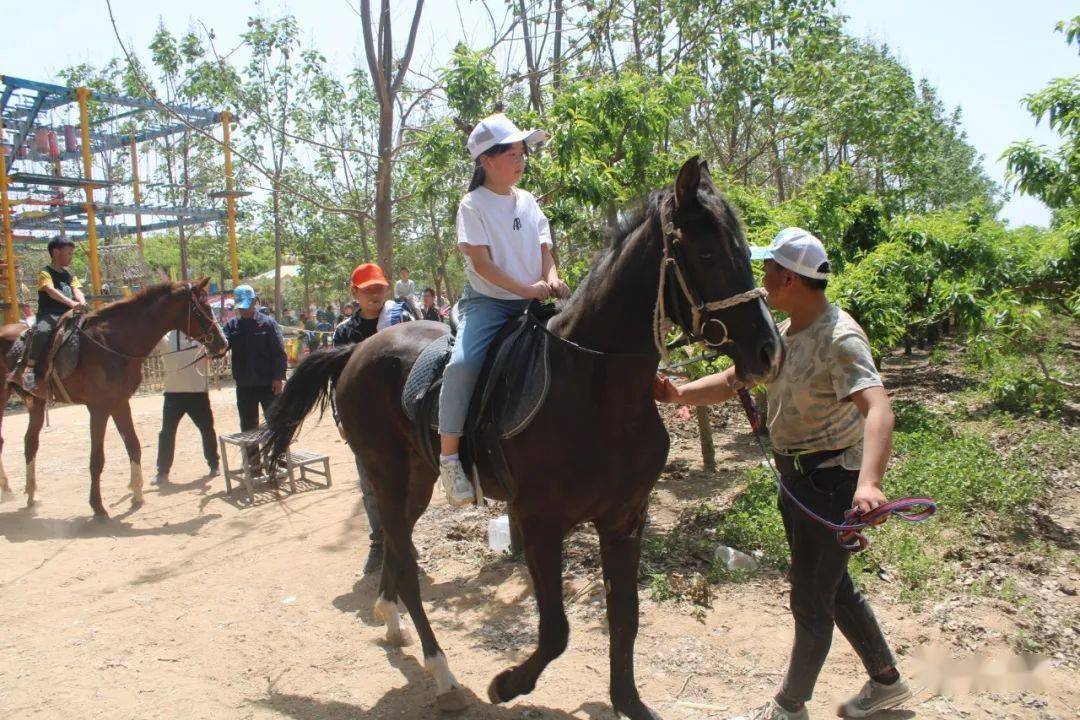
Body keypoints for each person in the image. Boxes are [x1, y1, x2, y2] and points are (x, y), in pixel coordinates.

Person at [654, 228, 911, 720]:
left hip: (831, 481)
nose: (760, 280)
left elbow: (878, 410)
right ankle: (887, 682)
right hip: (799, 481)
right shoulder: (783, 333)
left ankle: (789, 707)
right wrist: (677, 394)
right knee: (832, 588)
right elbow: (735, 380)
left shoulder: (840, 337)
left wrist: (869, 484)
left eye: (766, 270)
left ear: (789, 277)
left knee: (810, 601)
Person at [437, 112, 570, 507]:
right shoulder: (472, 205)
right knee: (462, 364)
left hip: (535, 300)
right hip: (491, 304)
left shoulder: (528, 201)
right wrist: (526, 288)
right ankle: (449, 458)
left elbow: (545, 251)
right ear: (485, 161)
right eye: (511, 153)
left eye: (522, 152)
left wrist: (553, 278)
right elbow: (482, 264)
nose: (521, 160)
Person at [332, 263, 412, 574]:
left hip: (403, 417)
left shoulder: (401, 320)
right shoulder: (344, 332)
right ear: (354, 293)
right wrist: (341, 417)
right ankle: (379, 542)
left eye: (379, 288)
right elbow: (336, 381)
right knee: (370, 483)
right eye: (368, 290)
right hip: (365, 423)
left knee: (409, 481)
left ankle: (403, 542)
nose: (375, 295)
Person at [8, 236, 88, 391]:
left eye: (72, 253)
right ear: (56, 252)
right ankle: (29, 369)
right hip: (50, 314)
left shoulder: (70, 275)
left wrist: (82, 301)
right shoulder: (45, 272)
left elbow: (76, 290)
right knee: (42, 331)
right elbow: (51, 291)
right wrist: (72, 303)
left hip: (69, 313)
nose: (71, 257)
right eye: (69, 253)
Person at [222, 284, 287, 473]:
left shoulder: (268, 324)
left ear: (254, 302)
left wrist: (278, 378)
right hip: (244, 386)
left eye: (246, 305)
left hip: (269, 384)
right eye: (240, 307)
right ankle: (254, 463)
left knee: (275, 421)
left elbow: (279, 353)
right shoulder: (232, 326)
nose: (243, 310)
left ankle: (279, 457)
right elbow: (223, 347)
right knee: (248, 426)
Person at [153, 330, 219, 485]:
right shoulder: (165, 337)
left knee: (207, 429)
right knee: (166, 433)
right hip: (173, 394)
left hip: (197, 393)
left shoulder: (202, 336)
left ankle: (214, 464)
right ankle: (162, 471)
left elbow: (219, 347)